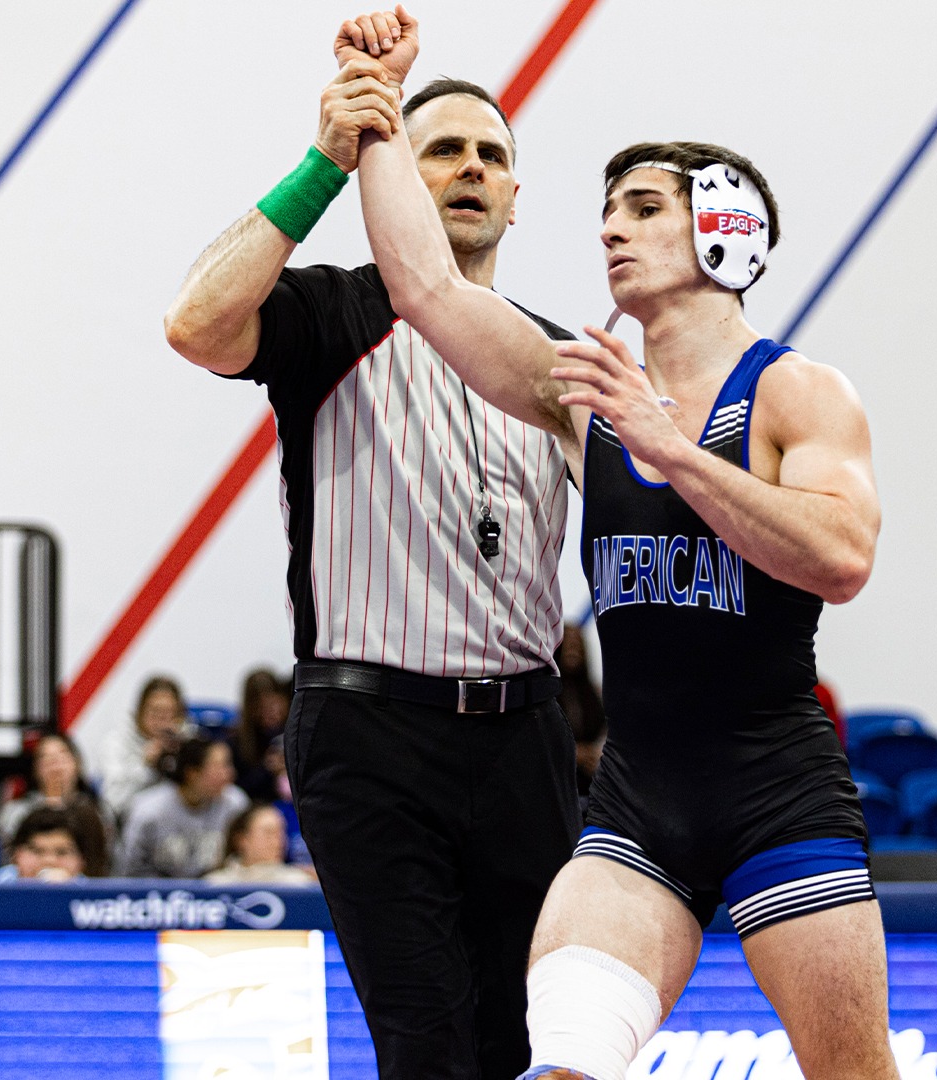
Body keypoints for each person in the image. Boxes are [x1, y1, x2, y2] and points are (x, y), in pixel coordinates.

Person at [345, 12, 893, 1077]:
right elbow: (426, 291)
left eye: (644, 208)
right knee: (562, 1063)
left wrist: (673, 451)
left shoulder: (796, 392)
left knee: (852, 1070)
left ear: (725, 235)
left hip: (777, 788)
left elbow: (842, 558)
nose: (611, 229)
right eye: (606, 211)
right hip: (638, 803)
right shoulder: (585, 390)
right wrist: (374, 114)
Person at [162, 22, 580, 1076]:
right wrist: (325, 163)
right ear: (395, 171)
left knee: (529, 1039)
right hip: (370, 728)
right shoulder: (337, 310)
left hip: (527, 732)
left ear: (519, 198)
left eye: (492, 156)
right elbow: (196, 324)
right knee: (426, 1038)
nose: (472, 169)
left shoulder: (557, 357)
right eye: (442, 149)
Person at [116, 737, 248, 879]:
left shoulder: (236, 805)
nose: (229, 774)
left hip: (217, 893)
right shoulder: (148, 811)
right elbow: (129, 869)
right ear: (192, 773)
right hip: (157, 895)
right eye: (220, 766)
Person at [0, 731, 110, 877]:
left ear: (77, 763)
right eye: (45, 758)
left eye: (61, 756)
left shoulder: (97, 811)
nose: (49, 861)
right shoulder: (15, 811)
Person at [97, 675, 190, 819]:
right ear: (140, 712)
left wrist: (182, 757)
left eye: (169, 713)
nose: (161, 720)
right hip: (130, 821)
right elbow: (113, 802)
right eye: (155, 711)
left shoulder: (189, 740)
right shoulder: (116, 743)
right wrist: (146, 766)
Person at [204, 804, 318, 885]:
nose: (278, 841)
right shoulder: (214, 884)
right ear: (242, 839)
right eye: (269, 833)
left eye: (281, 833)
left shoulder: (299, 884)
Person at [556, 623, 607, 796]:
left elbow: (604, 736)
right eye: (568, 644)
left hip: (590, 782)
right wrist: (575, 753)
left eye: (577, 644)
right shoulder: (547, 697)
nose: (573, 649)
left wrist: (597, 754)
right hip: (557, 781)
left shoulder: (594, 694)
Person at [232, 668, 292, 804]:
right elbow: (236, 792)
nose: (271, 713)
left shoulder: (294, 733)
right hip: (257, 809)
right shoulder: (237, 742)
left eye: (275, 705)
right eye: (262, 707)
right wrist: (266, 769)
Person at [0, 806, 89, 882]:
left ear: (81, 861)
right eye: (37, 851)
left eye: (62, 852)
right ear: (16, 855)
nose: (48, 861)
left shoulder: (91, 895)